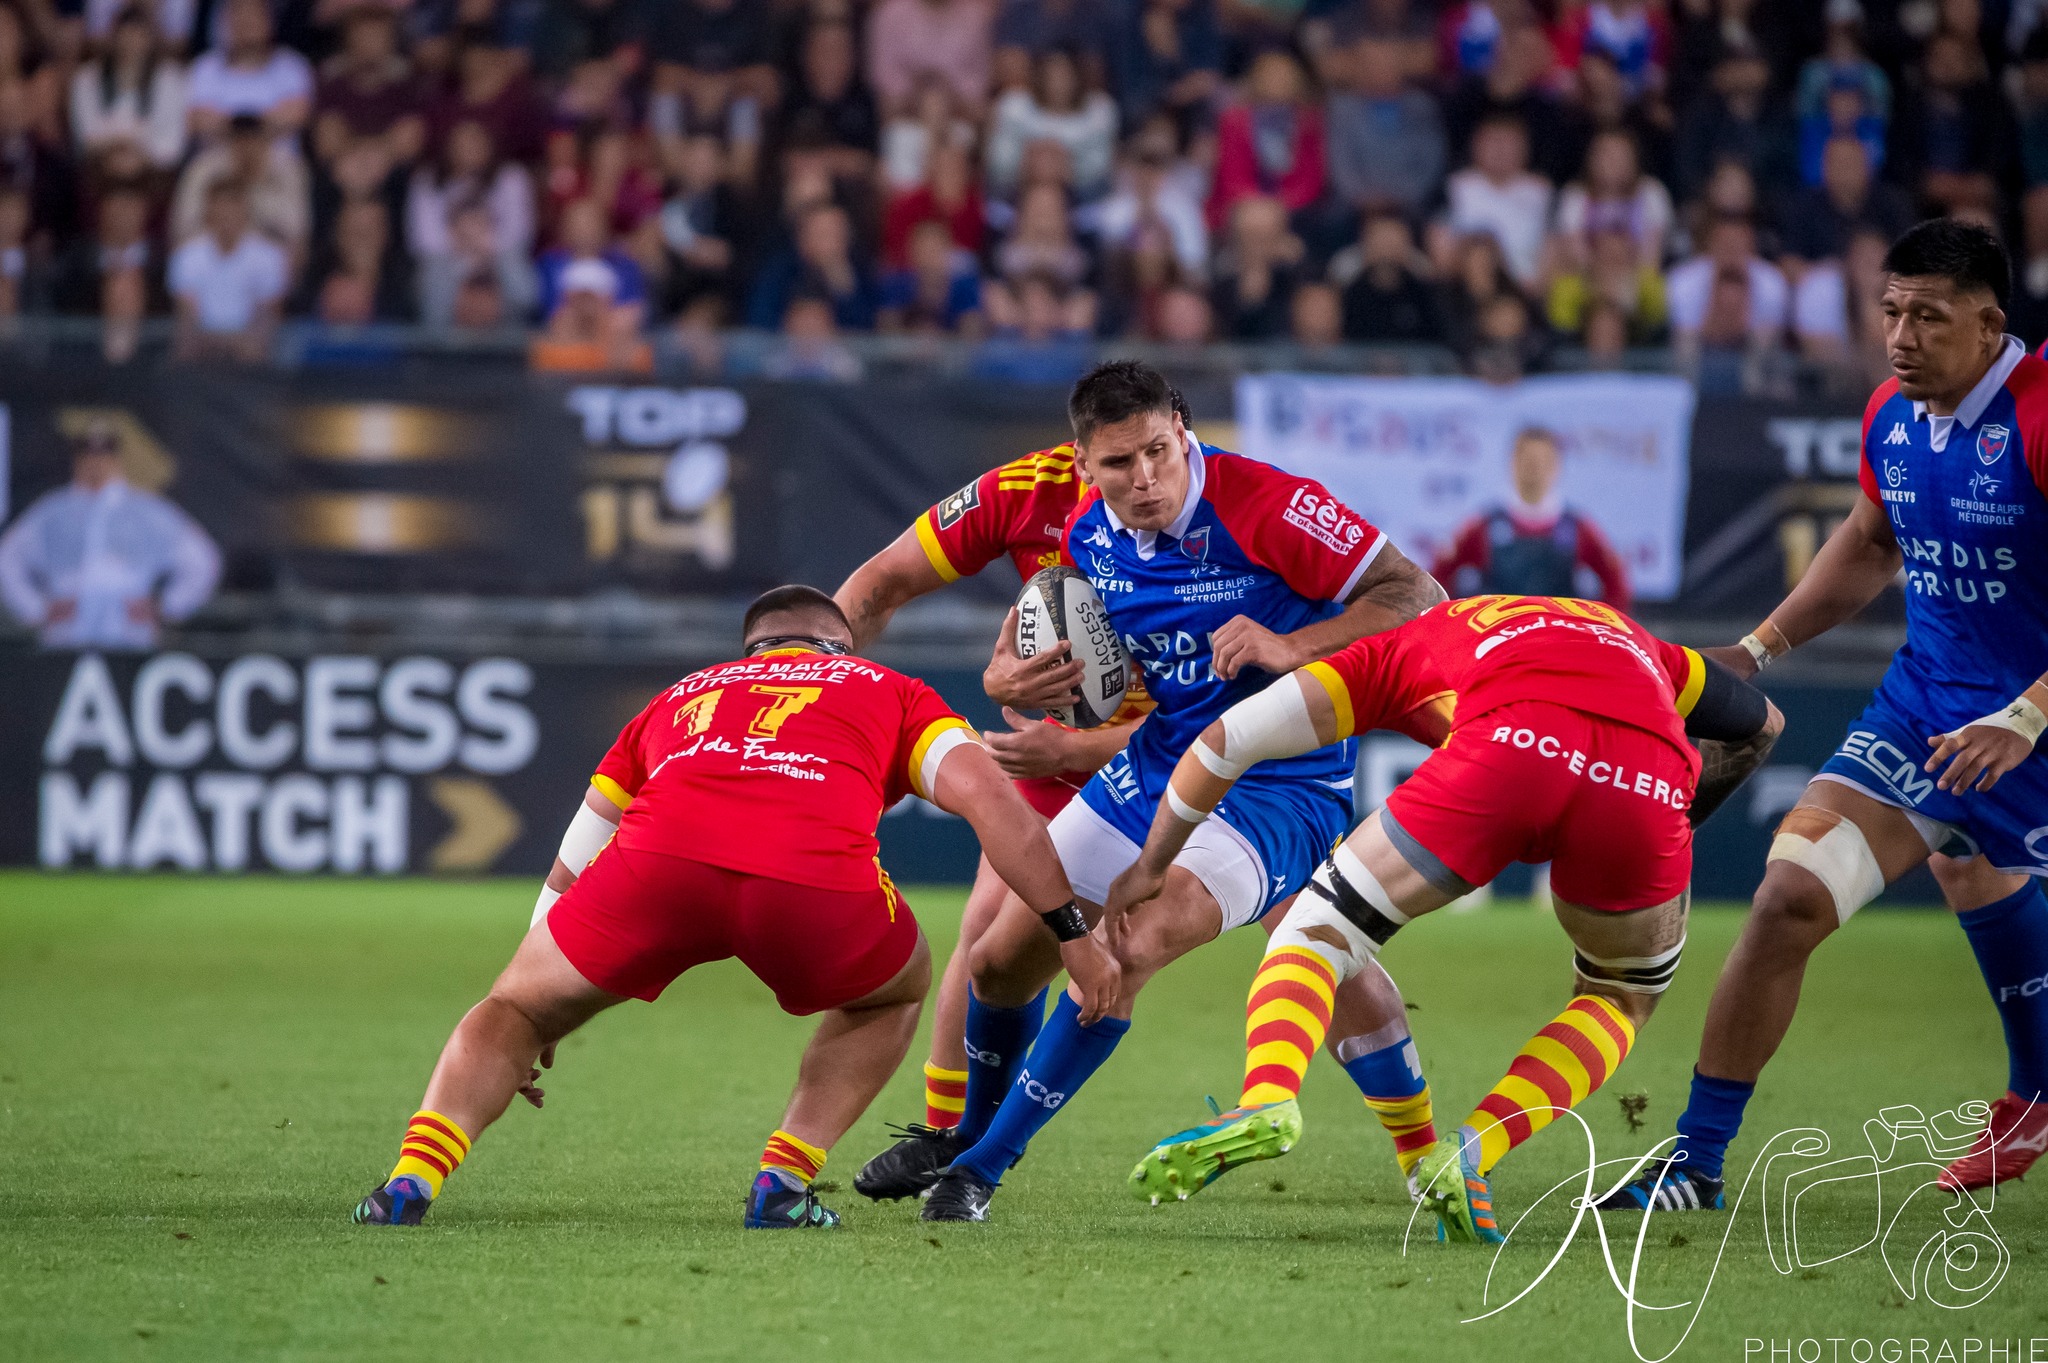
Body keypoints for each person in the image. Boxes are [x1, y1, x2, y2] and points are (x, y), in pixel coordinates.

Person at [356, 586, 1117, 1231]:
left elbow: (581, 838)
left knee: (510, 1008)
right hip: (809, 883)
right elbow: (996, 808)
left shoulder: (680, 695)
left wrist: (538, 988)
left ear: (750, 652)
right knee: (898, 987)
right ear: (839, 649)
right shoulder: (888, 688)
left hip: (658, 869)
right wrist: (1070, 931)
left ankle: (410, 1181)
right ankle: (782, 1182)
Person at [917, 360, 1447, 1223]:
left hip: (1282, 784)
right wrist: (1016, 674)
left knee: (1126, 945)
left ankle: (979, 1169)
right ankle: (968, 1134)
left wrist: (1297, 642)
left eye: (1158, 451)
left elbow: (1418, 595)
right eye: (1119, 462)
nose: (1145, 478)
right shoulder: (1088, 538)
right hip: (1161, 760)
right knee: (1001, 959)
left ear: (1184, 430)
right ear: (1083, 463)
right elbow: (1063, 653)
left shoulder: (1271, 504)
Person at [1601, 219, 2048, 1214]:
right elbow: (1867, 538)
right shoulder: (1891, 412)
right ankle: (1694, 1163)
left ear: (1988, 323)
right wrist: (1753, 652)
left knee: (1974, 870)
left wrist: (2024, 713)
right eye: (1888, 311)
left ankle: (2034, 1090)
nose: (1898, 336)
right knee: (1784, 900)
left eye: (1926, 317)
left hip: (2034, 727)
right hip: (1924, 714)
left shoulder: (2040, 414)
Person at [1116, 594, 1780, 1240]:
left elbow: (1228, 740)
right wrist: (1679, 814)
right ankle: (1469, 1150)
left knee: (1318, 930)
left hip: (1507, 752)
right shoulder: (1626, 633)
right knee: (1619, 996)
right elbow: (1763, 724)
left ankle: (1267, 1096)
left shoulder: (1396, 648)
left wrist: (1152, 866)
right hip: (1646, 778)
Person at [0, 422, 221, 650]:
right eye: (88, 455)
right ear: (77, 459)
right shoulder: (52, 511)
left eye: (104, 455)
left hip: (128, 632)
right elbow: (7, 558)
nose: (95, 462)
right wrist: (36, 609)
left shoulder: (147, 511)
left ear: (116, 459)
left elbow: (202, 560)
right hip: (67, 632)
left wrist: (165, 606)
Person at [1432, 426, 1631, 607]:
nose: (1534, 469)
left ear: (1557, 466)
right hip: (1499, 639)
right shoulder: (1482, 526)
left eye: (1542, 461)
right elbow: (1440, 576)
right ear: (1512, 463)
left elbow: (1615, 582)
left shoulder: (1578, 528)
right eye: (1527, 460)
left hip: (1559, 640)